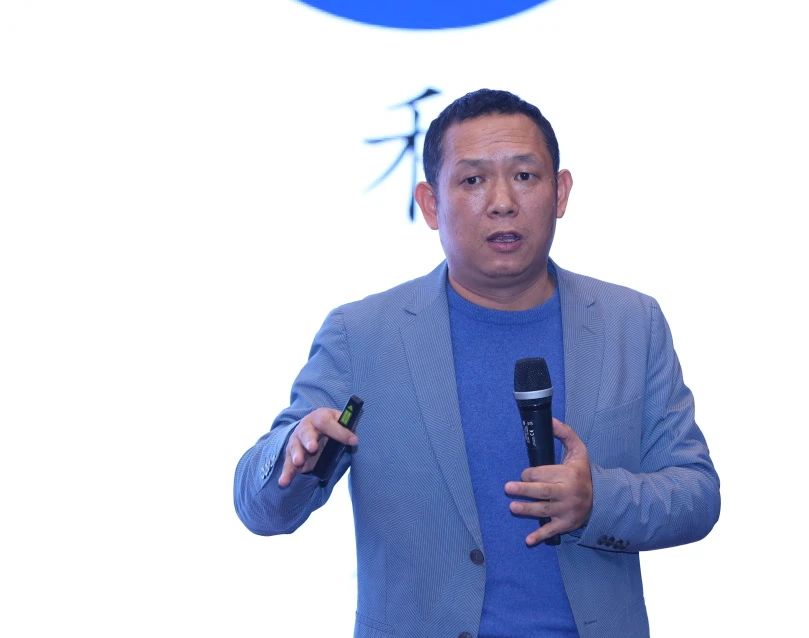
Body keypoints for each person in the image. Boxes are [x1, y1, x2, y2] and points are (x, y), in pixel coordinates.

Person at [234, 89, 720, 638]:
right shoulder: (361, 334)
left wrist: (597, 501)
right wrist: (292, 455)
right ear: (430, 204)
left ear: (560, 192)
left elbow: (697, 494)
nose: (502, 202)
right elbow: (259, 508)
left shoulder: (631, 322)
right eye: (472, 180)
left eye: (525, 176)